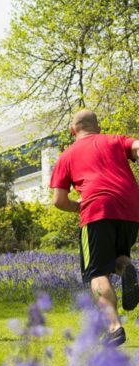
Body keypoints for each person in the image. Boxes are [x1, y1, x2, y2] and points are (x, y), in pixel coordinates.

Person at [50, 109, 139, 346]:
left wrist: (79, 207)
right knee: (117, 257)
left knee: (97, 273)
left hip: (97, 210)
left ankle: (114, 328)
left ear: (73, 130)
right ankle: (127, 267)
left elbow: (58, 200)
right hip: (131, 209)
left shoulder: (66, 156)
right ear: (98, 128)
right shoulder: (115, 140)